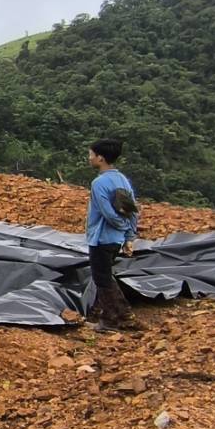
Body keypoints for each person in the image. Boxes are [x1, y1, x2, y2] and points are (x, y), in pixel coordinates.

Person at [86, 138, 140, 333]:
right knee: (106, 276)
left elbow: (107, 212)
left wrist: (121, 226)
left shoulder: (99, 183)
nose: (89, 158)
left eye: (91, 155)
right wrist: (128, 237)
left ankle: (115, 319)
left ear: (101, 158)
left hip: (101, 238)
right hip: (116, 240)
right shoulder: (122, 180)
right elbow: (133, 210)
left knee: (102, 279)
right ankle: (119, 316)